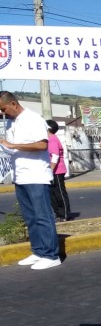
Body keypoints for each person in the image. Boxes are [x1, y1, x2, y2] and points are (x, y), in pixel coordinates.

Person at [0, 91, 61, 270]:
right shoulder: (11, 123)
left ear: (13, 103)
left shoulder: (33, 119)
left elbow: (42, 145)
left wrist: (12, 145)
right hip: (21, 176)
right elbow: (14, 149)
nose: (2, 113)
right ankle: (38, 251)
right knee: (30, 217)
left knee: (43, 216)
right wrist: (6, 147)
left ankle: (51, 255)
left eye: (3, 109)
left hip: (36, 175)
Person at [46, 120, 71, 222]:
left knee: (59, 193)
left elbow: (55, 156)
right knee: (52, 195)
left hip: (57, 171)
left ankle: (64, 214)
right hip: (50, 171)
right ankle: (57, 214)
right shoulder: (48, 139)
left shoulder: (52, 139)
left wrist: (51, 169)